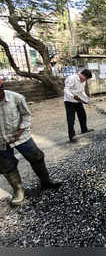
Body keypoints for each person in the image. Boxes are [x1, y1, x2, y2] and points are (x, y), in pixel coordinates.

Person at [0, 78, 61, 206]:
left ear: (2, 89)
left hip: (21, 136)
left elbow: (26, 115)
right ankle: (18, 190)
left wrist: (21, 130)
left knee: (36, 157)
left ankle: (46, 181)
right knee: (7, 165)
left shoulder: (16, 98)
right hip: (1, 141)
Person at [64, 69, 94, 143]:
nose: (85, 80)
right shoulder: (72, 78)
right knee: (71, 119)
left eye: (87, 79)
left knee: (82, 115)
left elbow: (82, 92)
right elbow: (66, 89)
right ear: (82, 75)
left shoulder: (83, 81)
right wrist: (73, 96)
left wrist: (87, 100)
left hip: (78, 101)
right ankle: (72, 136)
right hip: (69, 101)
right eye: (86, 78)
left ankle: (84, 129)